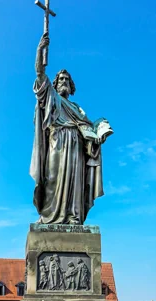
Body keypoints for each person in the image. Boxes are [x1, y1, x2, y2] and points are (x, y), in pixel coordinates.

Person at [30, 33, 107, 224]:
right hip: (58, 143)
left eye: (67, 80)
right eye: (61, 79)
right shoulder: (52, 98)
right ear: (55, 84)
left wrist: (96, 140)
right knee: (53, 180)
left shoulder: (77, 108)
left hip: (77, 148)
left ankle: (73, 216)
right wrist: (40, 50)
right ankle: (49, 216)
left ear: (71, 86)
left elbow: (88, 131)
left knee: (75, 184)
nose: (64, 82)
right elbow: (40, 74)